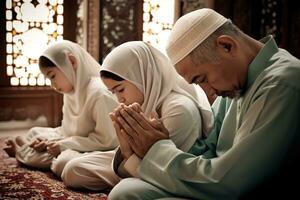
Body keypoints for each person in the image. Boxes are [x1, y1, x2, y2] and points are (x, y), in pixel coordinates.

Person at [108, 8, 300, 199]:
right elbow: (206, 151)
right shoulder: (236, 84)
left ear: (226, 46)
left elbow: (229, 183)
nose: (208, 91)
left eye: (202, 78)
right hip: (220, 185)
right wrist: (140, 145)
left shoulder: (282, 83)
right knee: (126, 191)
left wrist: (155, 149)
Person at [4, 40, 120, 190]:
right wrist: (51, 140)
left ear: (71, 62)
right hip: (81, 143)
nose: (52, 84)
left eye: (53, 76)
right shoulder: (72, 91)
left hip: (100, 148)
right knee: (35, 133)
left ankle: (23, 154)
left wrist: (62, 145)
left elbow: (108, 141)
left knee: (63, 163)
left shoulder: (100, 93)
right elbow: (69, 130)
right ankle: (29, 152)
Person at [99, 41, 213, 178]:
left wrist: (127, 153)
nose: (119, 99)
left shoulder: (179, 109)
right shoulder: (147, 102)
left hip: (168, 176)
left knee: (123, 191)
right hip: (140, 165)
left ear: (142, 76)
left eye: (120, 90)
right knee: (75, 167)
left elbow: (161, 171)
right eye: (113, 92)